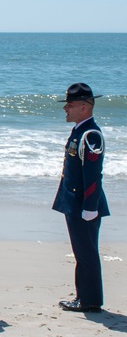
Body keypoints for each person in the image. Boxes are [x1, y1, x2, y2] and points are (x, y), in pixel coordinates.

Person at [53, 83, 110, 313]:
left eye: (71, 104)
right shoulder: (80, 130)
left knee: (86, 253)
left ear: (85, 108)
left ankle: (90, 300)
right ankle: (85, 296)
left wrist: (90, 206)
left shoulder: (91, 135)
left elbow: (93, 175)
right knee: (81, 252)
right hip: (75, 202)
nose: (65, 108)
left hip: (85, 204)